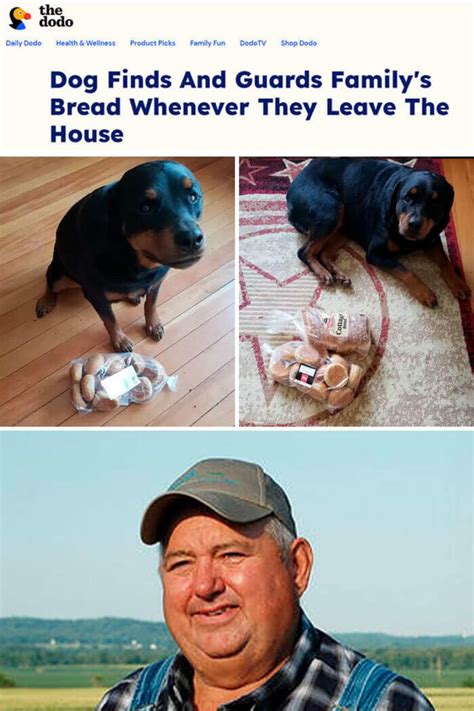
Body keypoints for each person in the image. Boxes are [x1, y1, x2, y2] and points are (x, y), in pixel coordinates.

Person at [96, 458, 434, 711]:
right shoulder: (124, 702)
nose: (204, 586)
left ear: (297, 567)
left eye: (230, 554)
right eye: (181, 563)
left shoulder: (387, 704)